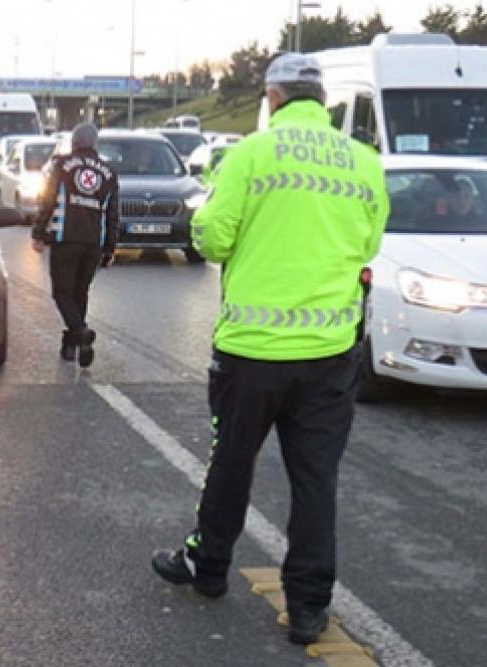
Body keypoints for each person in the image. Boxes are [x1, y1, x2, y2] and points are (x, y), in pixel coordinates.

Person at [150, 53, 389, 646]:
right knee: (315, 484)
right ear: (321, 99)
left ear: (274, 98)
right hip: (331, 354)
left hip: (251, 353)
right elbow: (369, 240)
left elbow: (213, 237)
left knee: (230, 466)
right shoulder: (363, 161)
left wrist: (208, 227)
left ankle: (207, 571)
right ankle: (308, 608)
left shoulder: (252, 154)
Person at [30, 122, 120, 367]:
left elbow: (48, 200)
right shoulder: (109, 173)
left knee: (61, 293)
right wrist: (110, 249)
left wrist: (38, 232)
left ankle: (80, 333)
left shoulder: (62, 165)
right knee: (80, 293)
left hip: (65, 239)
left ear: (74, 141)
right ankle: (71, 346)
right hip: (92, 243)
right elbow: (113, 215)